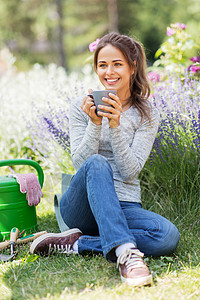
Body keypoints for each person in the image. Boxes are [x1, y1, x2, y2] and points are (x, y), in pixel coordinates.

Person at [30, 32, 180, 287]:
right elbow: (81, 164)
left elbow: (130, 171)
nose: (109, 72)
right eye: (102, 65)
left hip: (126, 204)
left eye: (117, 64)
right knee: (98, 163)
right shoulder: (81, 107)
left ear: (132, 68)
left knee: (167, 236)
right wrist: (95, 124)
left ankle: (77, 243)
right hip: (83, 205)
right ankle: (126, 255)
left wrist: (116, 125)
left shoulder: (147, 113)